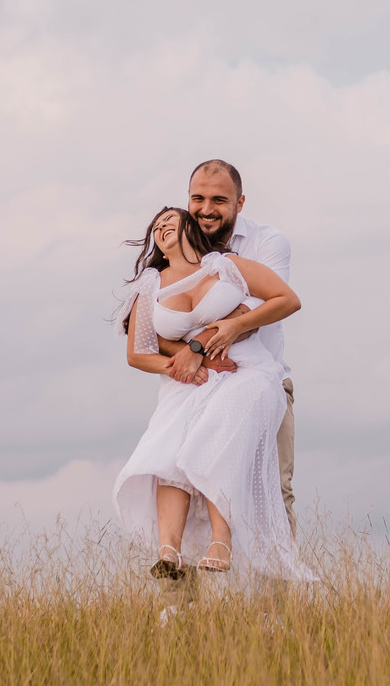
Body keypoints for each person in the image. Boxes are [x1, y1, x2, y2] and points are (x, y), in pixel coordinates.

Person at [113, 206, 312, 581]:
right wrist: (186, 367)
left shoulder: (226, 267)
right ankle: (168, 552)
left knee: (208, 439)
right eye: (156, 226)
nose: (163, 226)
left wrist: (233, 325)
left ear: (189, 225)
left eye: (170, 219)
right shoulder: (150, 285)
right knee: (168, 452)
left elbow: (286, 299)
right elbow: (138, 353)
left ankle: (222, 541)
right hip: (189, 381)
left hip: (245, 371)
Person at [158, 160, 300, 538]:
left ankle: (277, 598)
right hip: (194, 388)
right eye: (198, 198)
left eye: (219, 200)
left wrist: (198, 343)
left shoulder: (267, 242)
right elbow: (150, 321)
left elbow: (257, 309)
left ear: (240, 202)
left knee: (272, 489)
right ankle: (180, 598)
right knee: (179, 481)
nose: (206, 210)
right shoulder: (174, 245)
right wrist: (184, 354)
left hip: (261, 381)